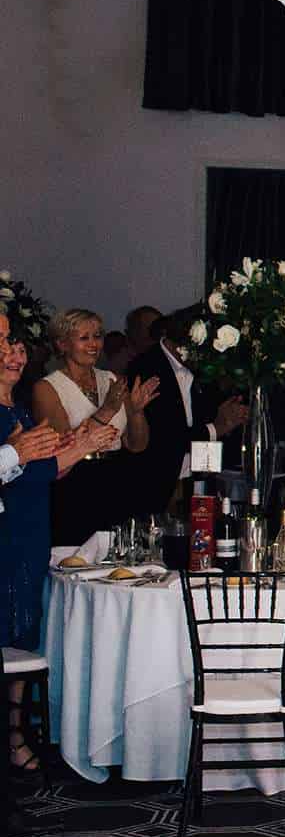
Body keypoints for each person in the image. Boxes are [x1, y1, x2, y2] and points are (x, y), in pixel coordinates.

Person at [2, 310, 116, 775]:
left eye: (16, 347)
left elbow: (42, 470)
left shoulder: (18, 411)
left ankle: (15, 736)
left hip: (30, 532)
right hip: (11, 535)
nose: (15, 355)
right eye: (7, 346)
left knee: (20, 639)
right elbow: (24, 475)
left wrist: (83, 442)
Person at [32, 307, 160, 545]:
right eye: (84, 338)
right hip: (76, 484)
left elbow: (137, 444)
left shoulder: (110, 379)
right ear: (62, 344)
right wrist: (108, 410)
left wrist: (136, 411)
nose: (94, 344)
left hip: (117, 477)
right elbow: (64, 446)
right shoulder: (47, 388)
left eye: (97, 336)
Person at [126, 307, 249, 514]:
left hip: (199, 478)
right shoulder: (145, 369)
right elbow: (163, 437)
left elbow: (213, 415)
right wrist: (216, 428)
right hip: (156, 485)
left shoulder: (203, 368)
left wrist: (231, 419)